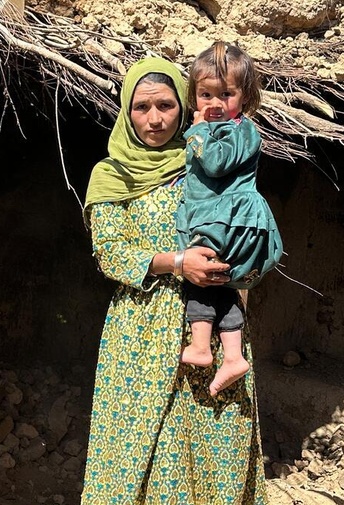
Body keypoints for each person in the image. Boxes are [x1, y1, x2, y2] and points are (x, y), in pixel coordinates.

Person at [82, 57, 268, 504]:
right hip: (140, 332)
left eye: (166, 105)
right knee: (143, 445)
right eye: (142, 107)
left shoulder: (204, 159)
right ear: (126, 110)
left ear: (183, 108)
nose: (155, 118)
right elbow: (110, 252)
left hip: (212, 319)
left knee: (212, 434)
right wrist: (178, 262)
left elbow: (240, 220)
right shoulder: (111, 176)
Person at [176, 42, 284, 397]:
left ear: (245, 97)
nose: (215, 104)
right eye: (206, 94)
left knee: (199, 277)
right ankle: (234, 356)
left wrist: (196, 132)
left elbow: (216, 163)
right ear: (194, 95)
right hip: (221, 219)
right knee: (221, 286)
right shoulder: (224, 128)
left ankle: (201, 347)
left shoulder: (241, 130)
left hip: (226, 219)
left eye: (227, 94)